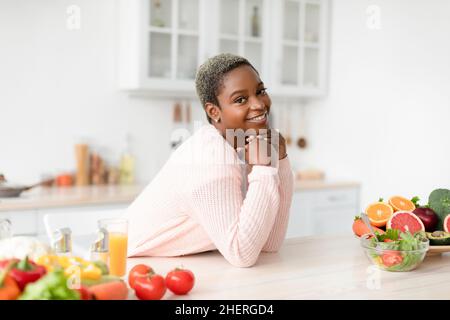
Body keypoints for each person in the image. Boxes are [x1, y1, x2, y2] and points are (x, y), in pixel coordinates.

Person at [124, 53, 294, 267]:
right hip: (127, 266)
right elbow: (242, 254)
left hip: (166, 264)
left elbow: (269, 243)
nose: (259, 104)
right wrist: (263, 168)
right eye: (241, 99)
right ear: (214, 111)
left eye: (260, 91)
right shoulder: (212, 159)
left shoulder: (240, 145)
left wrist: (280, 161)